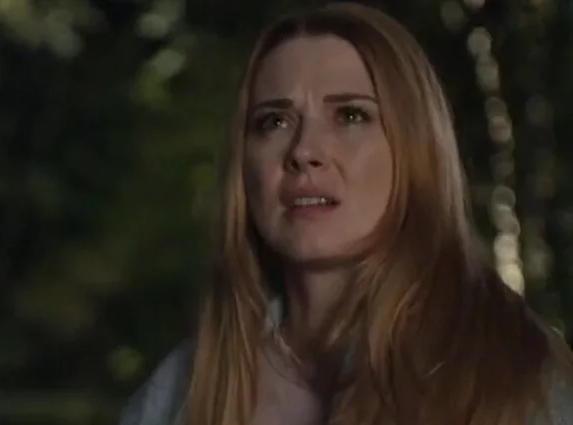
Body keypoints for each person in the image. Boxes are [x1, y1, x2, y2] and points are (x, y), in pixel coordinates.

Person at [119, 2, 573, 425]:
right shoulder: (181, 390)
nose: (304, 151)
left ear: (415, 149)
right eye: (274, 121)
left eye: (351, 116)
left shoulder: (513, 375)